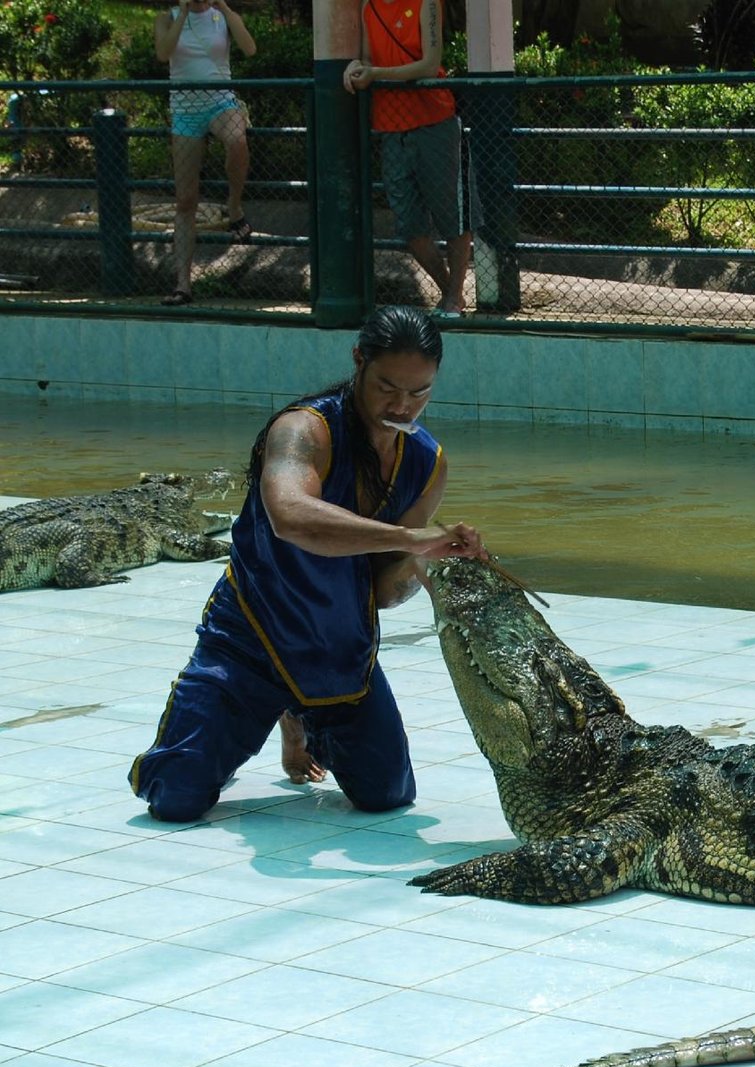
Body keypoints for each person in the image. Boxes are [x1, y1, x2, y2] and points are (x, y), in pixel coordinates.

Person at [129, 305, 487, 823]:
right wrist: (411, 537)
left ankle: (299, 710)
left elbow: (384, 590)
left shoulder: (427, 460)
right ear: (358, 360)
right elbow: (291, 518)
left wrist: (433, 566)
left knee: (387, 795)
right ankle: (261, 714)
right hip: (251, 635)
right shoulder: (304, 430)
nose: (404, 405)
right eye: (388, 387)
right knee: (174, 799)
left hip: (337, 644)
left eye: (420, 392)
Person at [344, 0, 471, 318]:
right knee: (409, 227)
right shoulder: (368, 7)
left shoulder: (427, 3)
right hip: (391, 127)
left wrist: (374, 74)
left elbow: (429, 65)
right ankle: (449, 291)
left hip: (434, 122)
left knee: (452, 214)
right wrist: (355, 66)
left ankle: (453, 299)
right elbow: (367, 57)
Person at [155, 0, 256, 307]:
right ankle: (183, 285)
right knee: (186, 200)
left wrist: (225, 9)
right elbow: (163, 54)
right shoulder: (166, 18)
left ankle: (234, 207)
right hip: (185, 112)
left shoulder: (221, 16)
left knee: (237, 139)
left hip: (221, 103)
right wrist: (183, 13)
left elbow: (249, 48)